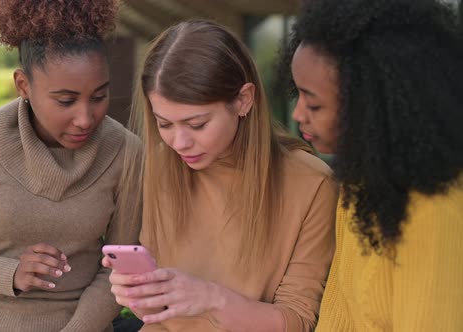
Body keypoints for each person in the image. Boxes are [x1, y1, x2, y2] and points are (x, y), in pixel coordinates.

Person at [0, 1, 142, 331]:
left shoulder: (126, 151)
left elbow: (120, 267)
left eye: (99, 96)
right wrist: (11, 273)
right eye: (65, 101)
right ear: (23, 85)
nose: (85, 119)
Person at [104, 20, 338, 331]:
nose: (179, 143)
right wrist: (140, 294)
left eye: (197, 124)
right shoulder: (161, 166)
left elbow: (297, 320)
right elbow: (159, 314)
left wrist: (212, 298)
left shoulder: (311, 184)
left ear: (243, 100)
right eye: (164, 124)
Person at [275, 0, 463, 330]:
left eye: (314, 104)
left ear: (370, 105)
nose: (298, 115)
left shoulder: (438, 207)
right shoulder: (359, 181)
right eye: (298, 96)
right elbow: (338, 314)